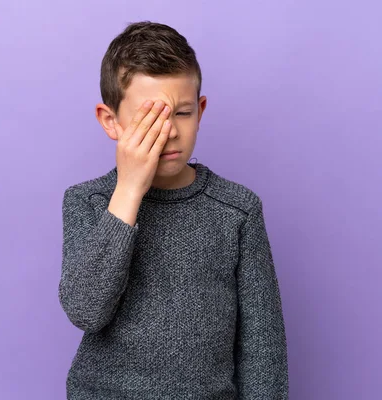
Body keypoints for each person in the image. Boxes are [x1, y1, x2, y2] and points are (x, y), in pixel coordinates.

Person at [58, 21, 289, 399]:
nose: (168, 132)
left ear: (200, 110)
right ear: (110, 121)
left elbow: (263, 347)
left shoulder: (237, 210)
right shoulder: (88, 202)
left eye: (181, 114)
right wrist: (130, 188)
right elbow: (85, 310)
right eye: (149, 118)